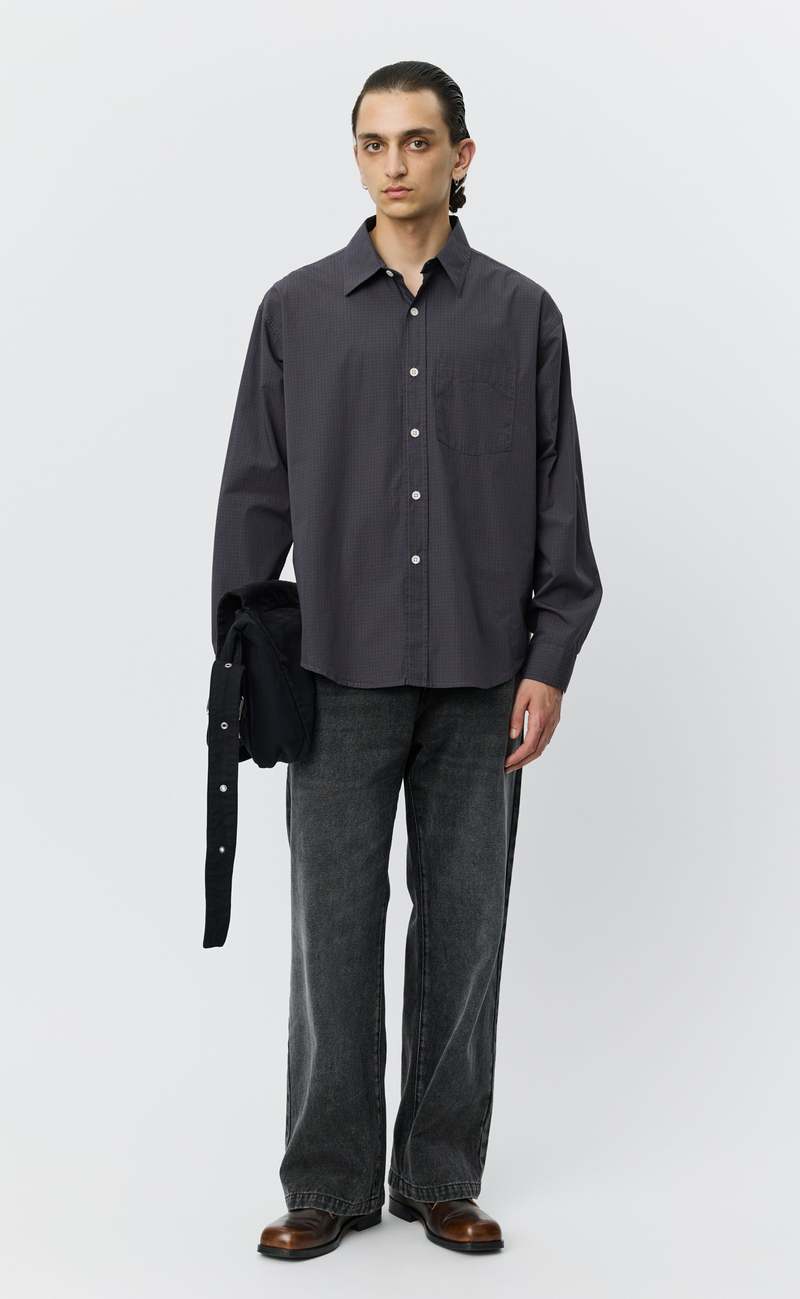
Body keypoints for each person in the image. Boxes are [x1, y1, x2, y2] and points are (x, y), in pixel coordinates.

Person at [210, 60, 603, 1261]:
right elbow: (254, 494)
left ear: (460, 157)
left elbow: (557, 499)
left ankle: (438, 1176)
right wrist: (241, 661)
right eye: (373, 143)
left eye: (417, 142)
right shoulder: (295, 311)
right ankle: (325, 1182)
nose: (394, 163)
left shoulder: (522, 316)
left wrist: (550, 658)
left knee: (462, 934)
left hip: (485, 675)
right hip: (335, 671)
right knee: (332, 933)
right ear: (357, 158)